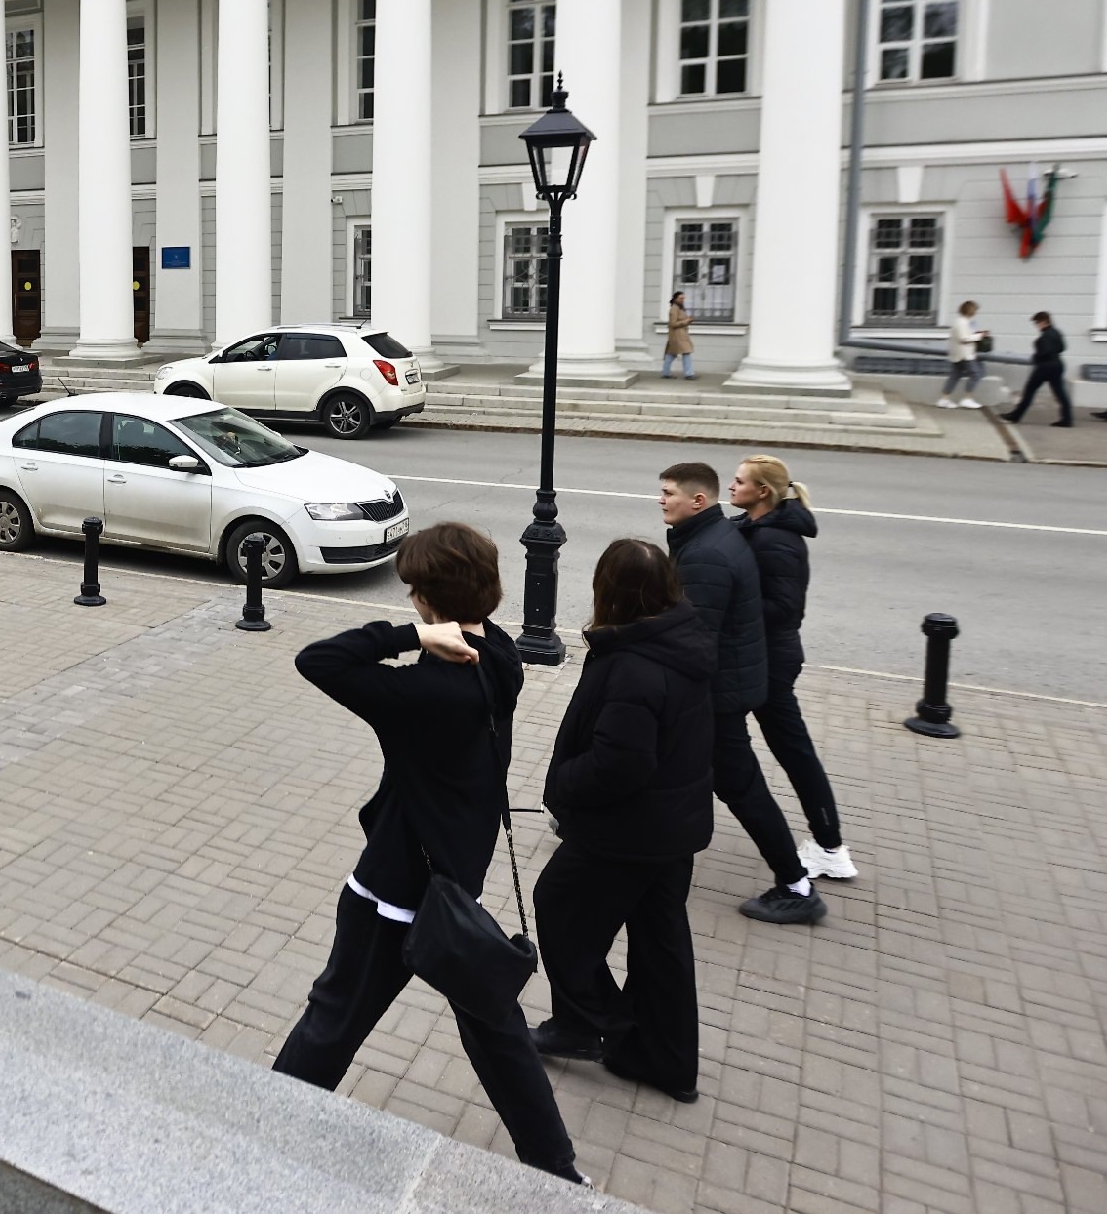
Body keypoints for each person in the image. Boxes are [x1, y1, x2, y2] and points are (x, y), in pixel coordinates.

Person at [272, 522, 583, 1185]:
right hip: (454, 890)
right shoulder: (499, 656)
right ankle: (557, 1169)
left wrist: (409, 638)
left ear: (422, 600)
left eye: (412, 592)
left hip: (391, 891)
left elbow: (318, 660)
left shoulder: (421, 695)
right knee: (496, 1033)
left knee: (332, 1021)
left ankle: (267, 1124)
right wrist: (443, 631)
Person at [530, 539, 715, 1103]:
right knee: (661, 942)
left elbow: (621, 765)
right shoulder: (680, 640)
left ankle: (591, 1023)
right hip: (671, 825)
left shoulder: (636, 664)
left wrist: (561, 784)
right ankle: (667, 1062)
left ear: (611, 593)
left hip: (628, 831)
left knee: (557, 906)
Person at [660, 461, 821, 925]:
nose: (661, 499)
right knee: (665, 759)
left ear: (697, 500)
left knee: (741, 785)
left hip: (715, 694)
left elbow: (696, 636)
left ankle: (795, 884)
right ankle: (588, 825)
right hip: (722, 686)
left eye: (669, 492)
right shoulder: (711, 536)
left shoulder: (706, 553)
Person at [731, 455, 854, 882]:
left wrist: (733, 603)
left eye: (739, 481)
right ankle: (829, 844)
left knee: (793, 752)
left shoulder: (778, 541)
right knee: (791, 750)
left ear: (762, 492)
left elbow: (784, 608)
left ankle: (829, 847)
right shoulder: (759, 528)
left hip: (770, 662)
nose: (732, 487)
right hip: (764, 658)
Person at [1003, 312, 1073, 428]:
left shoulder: (1045, 336)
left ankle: (1015, 416)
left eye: (1037, 323)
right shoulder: (1056, 332)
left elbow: (1044, 352)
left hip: (1045, 366)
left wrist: (1036, 357)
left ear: (1044, 322)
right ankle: (1067, 419)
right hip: (1057, 365)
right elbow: (1062, 348)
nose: (1037, 325)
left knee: (1029, 390)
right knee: (1060, 393)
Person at [937, 299, 986, 409]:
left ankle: (944, 398)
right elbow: (964, 338)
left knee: (955, 375)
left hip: (959, 353)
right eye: (975, 310)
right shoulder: (962, 322)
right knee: (975, 374)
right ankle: (967, 398)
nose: (976, 313)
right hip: (964, 354)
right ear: (971, 311)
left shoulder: (961, 321)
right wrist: (979, 336)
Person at [661, 292, 695, 380]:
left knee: (671, 354)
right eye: (681, 298)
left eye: (683, 298)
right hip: (677, 335)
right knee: (686, 352)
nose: (682, 300)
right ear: (675, 299)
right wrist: (687, 321)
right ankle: (689, 374)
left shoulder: (679, 308)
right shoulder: (674, 309)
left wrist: (688, 320)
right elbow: (673, 323)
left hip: (680, 334)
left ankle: (665, 372)